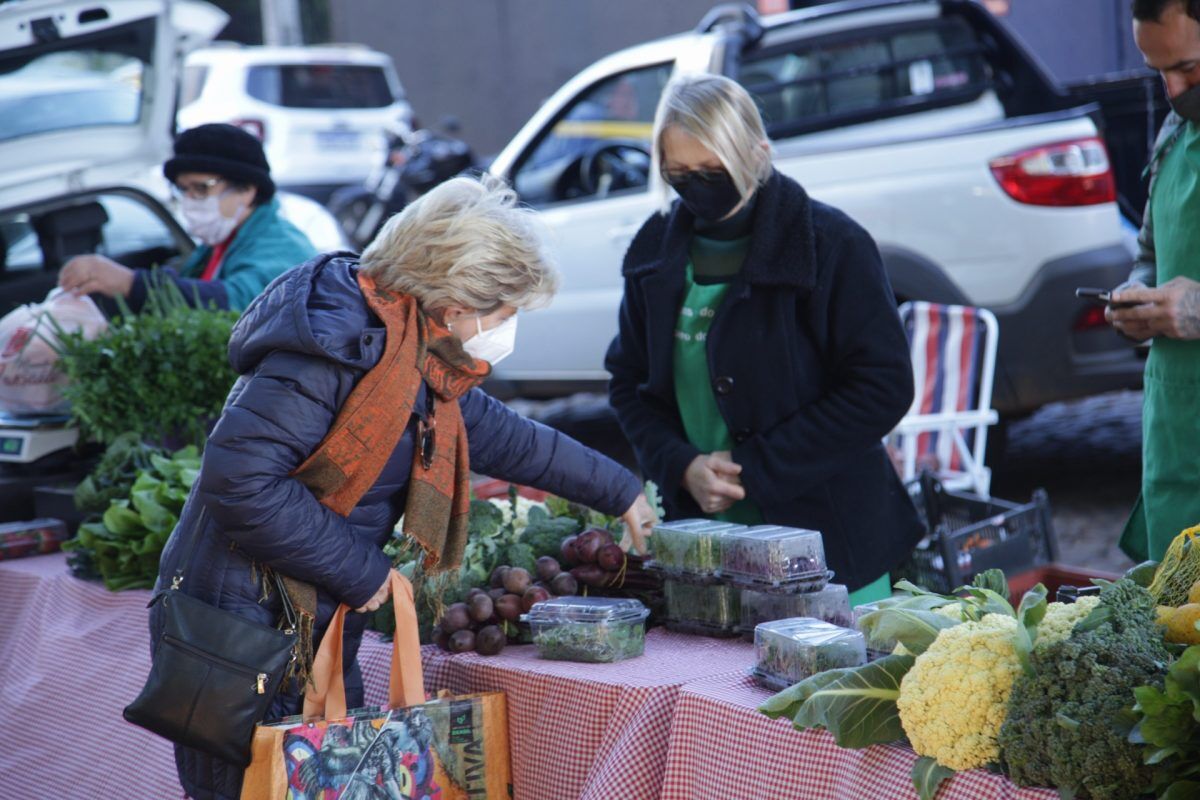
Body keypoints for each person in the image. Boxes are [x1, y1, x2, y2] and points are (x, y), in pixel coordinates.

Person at [149, 175, 657, 800]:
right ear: (454, 304)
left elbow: (509, 438)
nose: (508, 329)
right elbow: (241, 483)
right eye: (505, 313)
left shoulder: (414, 359)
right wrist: (363, 575)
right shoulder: (334, 353)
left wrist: (619, 489)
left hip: (309, 624)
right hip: (240, 634)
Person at [605, 74, 923, 605]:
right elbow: (628, 382)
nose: (697, 186)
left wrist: (756, 467)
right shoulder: (654, 252)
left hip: (833, 539)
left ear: (758, 153)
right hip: (704, 548)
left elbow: (882, 387)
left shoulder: (831, 246)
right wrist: (681, 464)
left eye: (713, 171)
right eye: (679, 173)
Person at [1112, 0, 1200, 561]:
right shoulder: (1175, 129)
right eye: (1158, 72)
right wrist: (1138, 295)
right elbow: (1150, 251)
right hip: (1176, 436)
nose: (1172, 90)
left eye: (1188, 69)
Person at [58, 123, 316, 312]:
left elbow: (238, 302)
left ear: (248, 190)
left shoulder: (282, 245)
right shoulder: (218, 246)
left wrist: (131, 283)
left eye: (202, 188)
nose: (190, 200)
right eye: (184, 189)